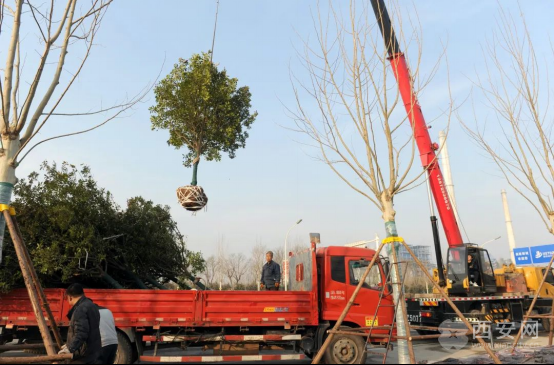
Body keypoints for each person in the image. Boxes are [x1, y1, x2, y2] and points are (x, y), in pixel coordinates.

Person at [58, 283, 101, 364]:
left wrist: (70, 348)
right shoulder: (92, 305)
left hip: (83, 355)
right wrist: (68, 344)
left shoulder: (80, 309)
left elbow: (81, 333)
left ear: (70, 297)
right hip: (93, 351)